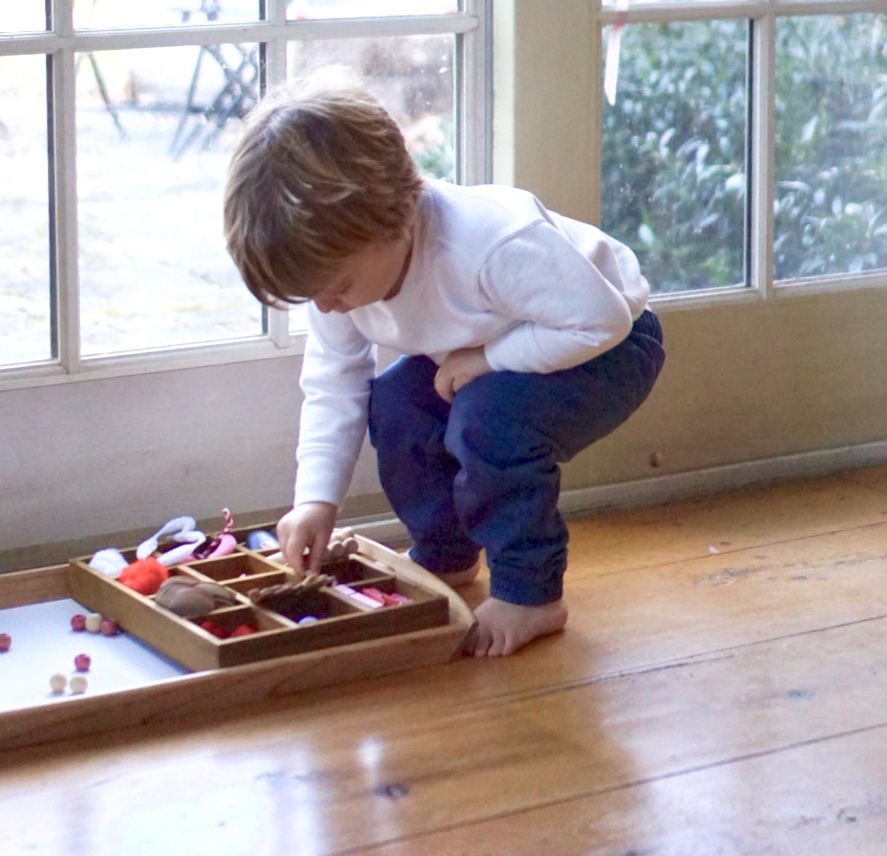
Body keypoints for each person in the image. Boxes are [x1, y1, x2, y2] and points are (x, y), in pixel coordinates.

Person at [223, 74, 664, 657]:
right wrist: (315, 499)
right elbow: (335, 384)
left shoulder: (491, 241)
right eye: (313, 295)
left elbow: (601, 321)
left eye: (336, 287)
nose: (327, 306)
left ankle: (532, 593)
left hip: (608, 345)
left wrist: (488, 359)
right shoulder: (338, 276)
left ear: (398, 215)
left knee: (487, 422)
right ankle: (446, 554)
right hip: (491, 354)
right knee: (398, 404)